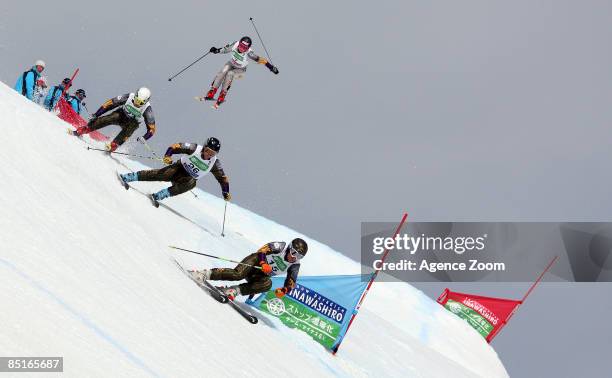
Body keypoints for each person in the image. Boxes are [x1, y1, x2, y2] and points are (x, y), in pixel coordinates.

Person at [118, 137, 230, 207]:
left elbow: (223, 178)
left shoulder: (215, 163)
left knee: (191, 184)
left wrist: (226, 192)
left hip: (187, 179)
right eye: (207, 151)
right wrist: (168, 155)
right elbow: (175, 146)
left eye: (212, 153)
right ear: (204, 147)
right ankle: (130, 177)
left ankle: (160, 195)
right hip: (179, 168)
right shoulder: (194, 148)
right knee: (162, 175)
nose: (208, 155)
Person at [189, 238, 308, 300]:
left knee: (268, 284)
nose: (294, 257)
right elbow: (263, 249)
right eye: (294, 253)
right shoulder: (280, 246)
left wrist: (284, 290)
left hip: (260, 275)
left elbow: (291, 282)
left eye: (299, 256)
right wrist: (263, 262)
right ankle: (205, 274)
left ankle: (233, 291)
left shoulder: (295, 265)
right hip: (255, 262)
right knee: (237, 275)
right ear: (289, 248)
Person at [202, 36, 279, 108]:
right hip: (231, 63)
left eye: (244, 48)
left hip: (240, 70)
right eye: (241, 46)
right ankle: (212, 91)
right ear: (239, 44)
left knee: (230, 74)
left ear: (248, 48)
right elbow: (225, 49)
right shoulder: (234, 44)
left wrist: (271, 67)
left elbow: (261, 60)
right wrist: (216, 50)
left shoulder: (250, 54)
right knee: (224, 70)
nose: (242, 49)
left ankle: (222, 94)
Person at [71, 87, 155, 152]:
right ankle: (86, 128)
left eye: (140, 103)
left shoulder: (147, 109)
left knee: (132, 126)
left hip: (131, 123)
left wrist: (145, 137)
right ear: (135, 95)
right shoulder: (129, 97)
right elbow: (109, 104)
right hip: (121, 115)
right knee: (110, 118)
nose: (137, 103)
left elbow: (152, 129)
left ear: (146, 101)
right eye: (136, 100)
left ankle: (115, 144)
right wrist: (96, 114)